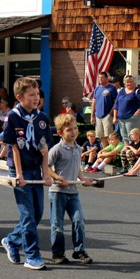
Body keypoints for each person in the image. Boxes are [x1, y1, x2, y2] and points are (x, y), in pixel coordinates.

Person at [0, 77, 54, 271]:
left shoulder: (41, 118)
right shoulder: (13, 117)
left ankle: (12, 240)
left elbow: (44, 148)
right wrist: (19, 175)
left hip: (35, 169)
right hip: (20, 169)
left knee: (38, 213)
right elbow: (13, 147)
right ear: (20, 97)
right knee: (28, 215)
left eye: (37, 94)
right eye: (31, 95)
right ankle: (32, 256)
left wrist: (46, 174)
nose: (36, 98)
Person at [47, 113, 95, 265]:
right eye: (69, 130)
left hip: (73, 192)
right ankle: (57, 254)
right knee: (57, 225)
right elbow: (46, 168)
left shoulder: (78, 148)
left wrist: (84, 179)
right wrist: (57, 178)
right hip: (57, 192)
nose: (74, 132)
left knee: (79, 220)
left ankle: (79, 250)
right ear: (60, 132)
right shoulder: (56, 149)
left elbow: (78, 168)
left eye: (75, 129)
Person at [114, 75, 140, 142]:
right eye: (127, 82)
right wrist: (115, 117)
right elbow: (116, 104)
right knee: (124, 137)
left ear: (134, 83)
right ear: (124, 83)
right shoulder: (121, 91)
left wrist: (134, 115)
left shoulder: (137, 92)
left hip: (132, 119)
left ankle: (133, 151)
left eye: (130, 82)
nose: (129, 83)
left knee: (132, 137)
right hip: (121, 119)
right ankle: (127, 151)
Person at [90, 72, 118, 139]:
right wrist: (92, 116)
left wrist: (111, 113)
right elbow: (94, 103)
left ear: (106, 78)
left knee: (109, 136)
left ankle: (111, 149)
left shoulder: (112, 88)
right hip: (98, 116)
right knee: (101, 136)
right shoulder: (97, 89)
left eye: (102, 77)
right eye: (99, 77)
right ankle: (105, 149)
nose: (100, 79)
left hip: (107, 115)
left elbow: (116, 102)